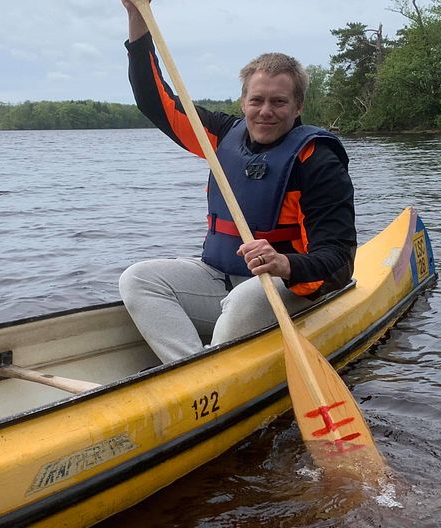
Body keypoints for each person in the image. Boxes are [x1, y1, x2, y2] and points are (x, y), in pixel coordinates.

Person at [118, 0, 356, 364]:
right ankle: (192, 370)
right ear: (243, 102)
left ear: (298, 106)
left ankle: (210, 374)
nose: (266, 111)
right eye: (256, 100)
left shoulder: (317, 160)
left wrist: (284, 263)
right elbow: (155, 101)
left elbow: (338, 260)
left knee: (246, 299)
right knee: (138, 278)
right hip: (218, 277)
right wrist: (136, 15)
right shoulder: (219, 135)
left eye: (279, 101)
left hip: (287, 286)